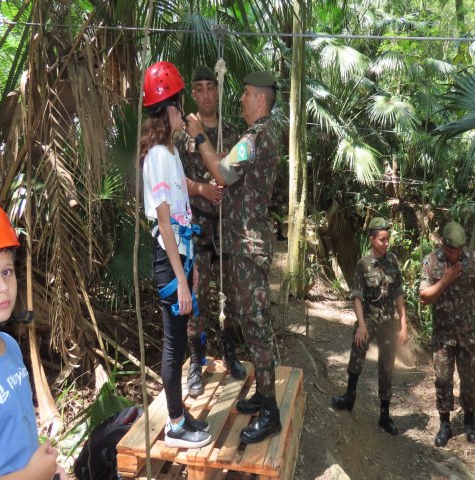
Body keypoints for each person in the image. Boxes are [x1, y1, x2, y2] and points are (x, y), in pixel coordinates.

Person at [185, 71, 281, 444]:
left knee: (257, 329)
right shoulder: (259, 136)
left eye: (244, 94)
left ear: (259, 98)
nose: (238, 99)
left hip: (246, 246)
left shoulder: (257, 136)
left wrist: (199, 135)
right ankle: (264, 395)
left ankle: (271, 410)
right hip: (241, 245)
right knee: (252, 325)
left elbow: (223, 172)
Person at [140, 61, 212, 448]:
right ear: (169, 108)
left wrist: (190, 270)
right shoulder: (156, 158)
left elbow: (180, 215)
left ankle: (180, 413)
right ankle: (174, 424)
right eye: (180, 104)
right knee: (173, 345)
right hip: (168, 263)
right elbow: (165, 224)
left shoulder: (169, 153)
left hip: (178, 260)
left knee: (180, 341)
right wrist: (181, 281)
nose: (183, 111)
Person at [0, 198, 69, 479]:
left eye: (6, 272)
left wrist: (48, 469)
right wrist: (33, 474)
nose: (2, 287)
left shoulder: (9, 347)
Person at [175, 65, 245, 397]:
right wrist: (202, 188)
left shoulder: (233, 133)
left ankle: (230, 352)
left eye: (210, 88)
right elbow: (174, 181)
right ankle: (196, 362)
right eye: (198, 89)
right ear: (193, 93)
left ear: (219, 90)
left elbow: (238, 176)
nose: (205, 95)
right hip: (198, 230)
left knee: (232, 296)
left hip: (229, 227)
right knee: (198, 298)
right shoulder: (182, 135)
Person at [331, 217, 408, 435]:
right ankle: (349, 397)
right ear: (372, 239)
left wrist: (404, 325)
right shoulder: (363, 265)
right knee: (358, 347)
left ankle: (384, 414)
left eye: (388, 239)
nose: (386, 243)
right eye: (382, 239)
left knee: (387, 364)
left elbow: (399, 294)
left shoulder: (393, 261)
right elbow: (357, 296)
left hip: (388, 322)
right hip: (370, 318)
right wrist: (362, 325)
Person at [419, 222, 475, 448]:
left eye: (458, 252)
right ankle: (445, 424)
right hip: (443, 336)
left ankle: (470, 421)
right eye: (451, 252)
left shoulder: (471, 260)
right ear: (443, 244)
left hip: (468, 334)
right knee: (443, 380)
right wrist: (445, 279)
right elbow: (424, 297)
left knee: (468, 379)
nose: (455, 255)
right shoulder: (432, 262)